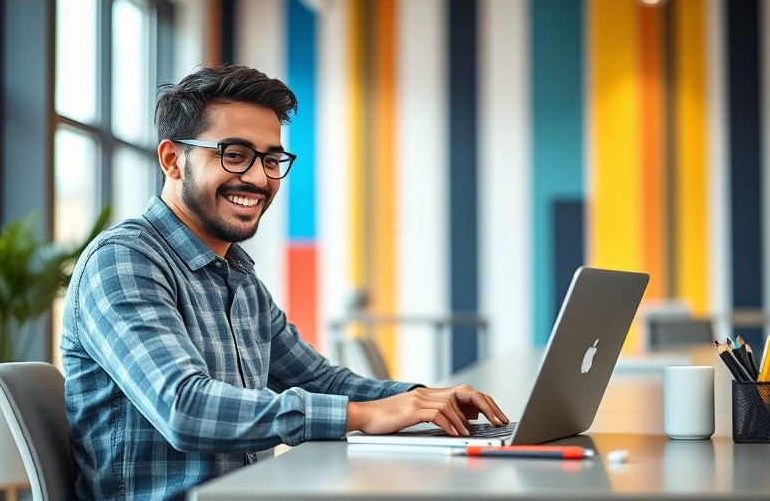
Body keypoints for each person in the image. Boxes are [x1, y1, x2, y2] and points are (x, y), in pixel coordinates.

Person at [60, 64, 508, 501]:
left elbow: (318, 381)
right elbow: (183, 408)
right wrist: (363, 416)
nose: (258, 178)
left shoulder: (238, 275)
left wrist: (421, 399)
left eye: (271, 159)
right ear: (173, 160)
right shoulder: (124, 260)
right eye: (233, 155)